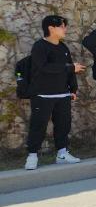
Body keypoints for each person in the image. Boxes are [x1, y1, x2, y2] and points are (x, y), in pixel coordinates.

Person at [24, 15, 86, 170]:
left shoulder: (63, 47)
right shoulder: (39, 46)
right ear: (51, 28)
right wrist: (70, 68)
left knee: (63, 126)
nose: (65, 29)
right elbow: (44, 67)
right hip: (42, 95)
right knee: (38, 126)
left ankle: (62, 154)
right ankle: (32, 156)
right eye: (62, 26)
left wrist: (73, 89)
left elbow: (70, 70)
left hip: (63, 95)